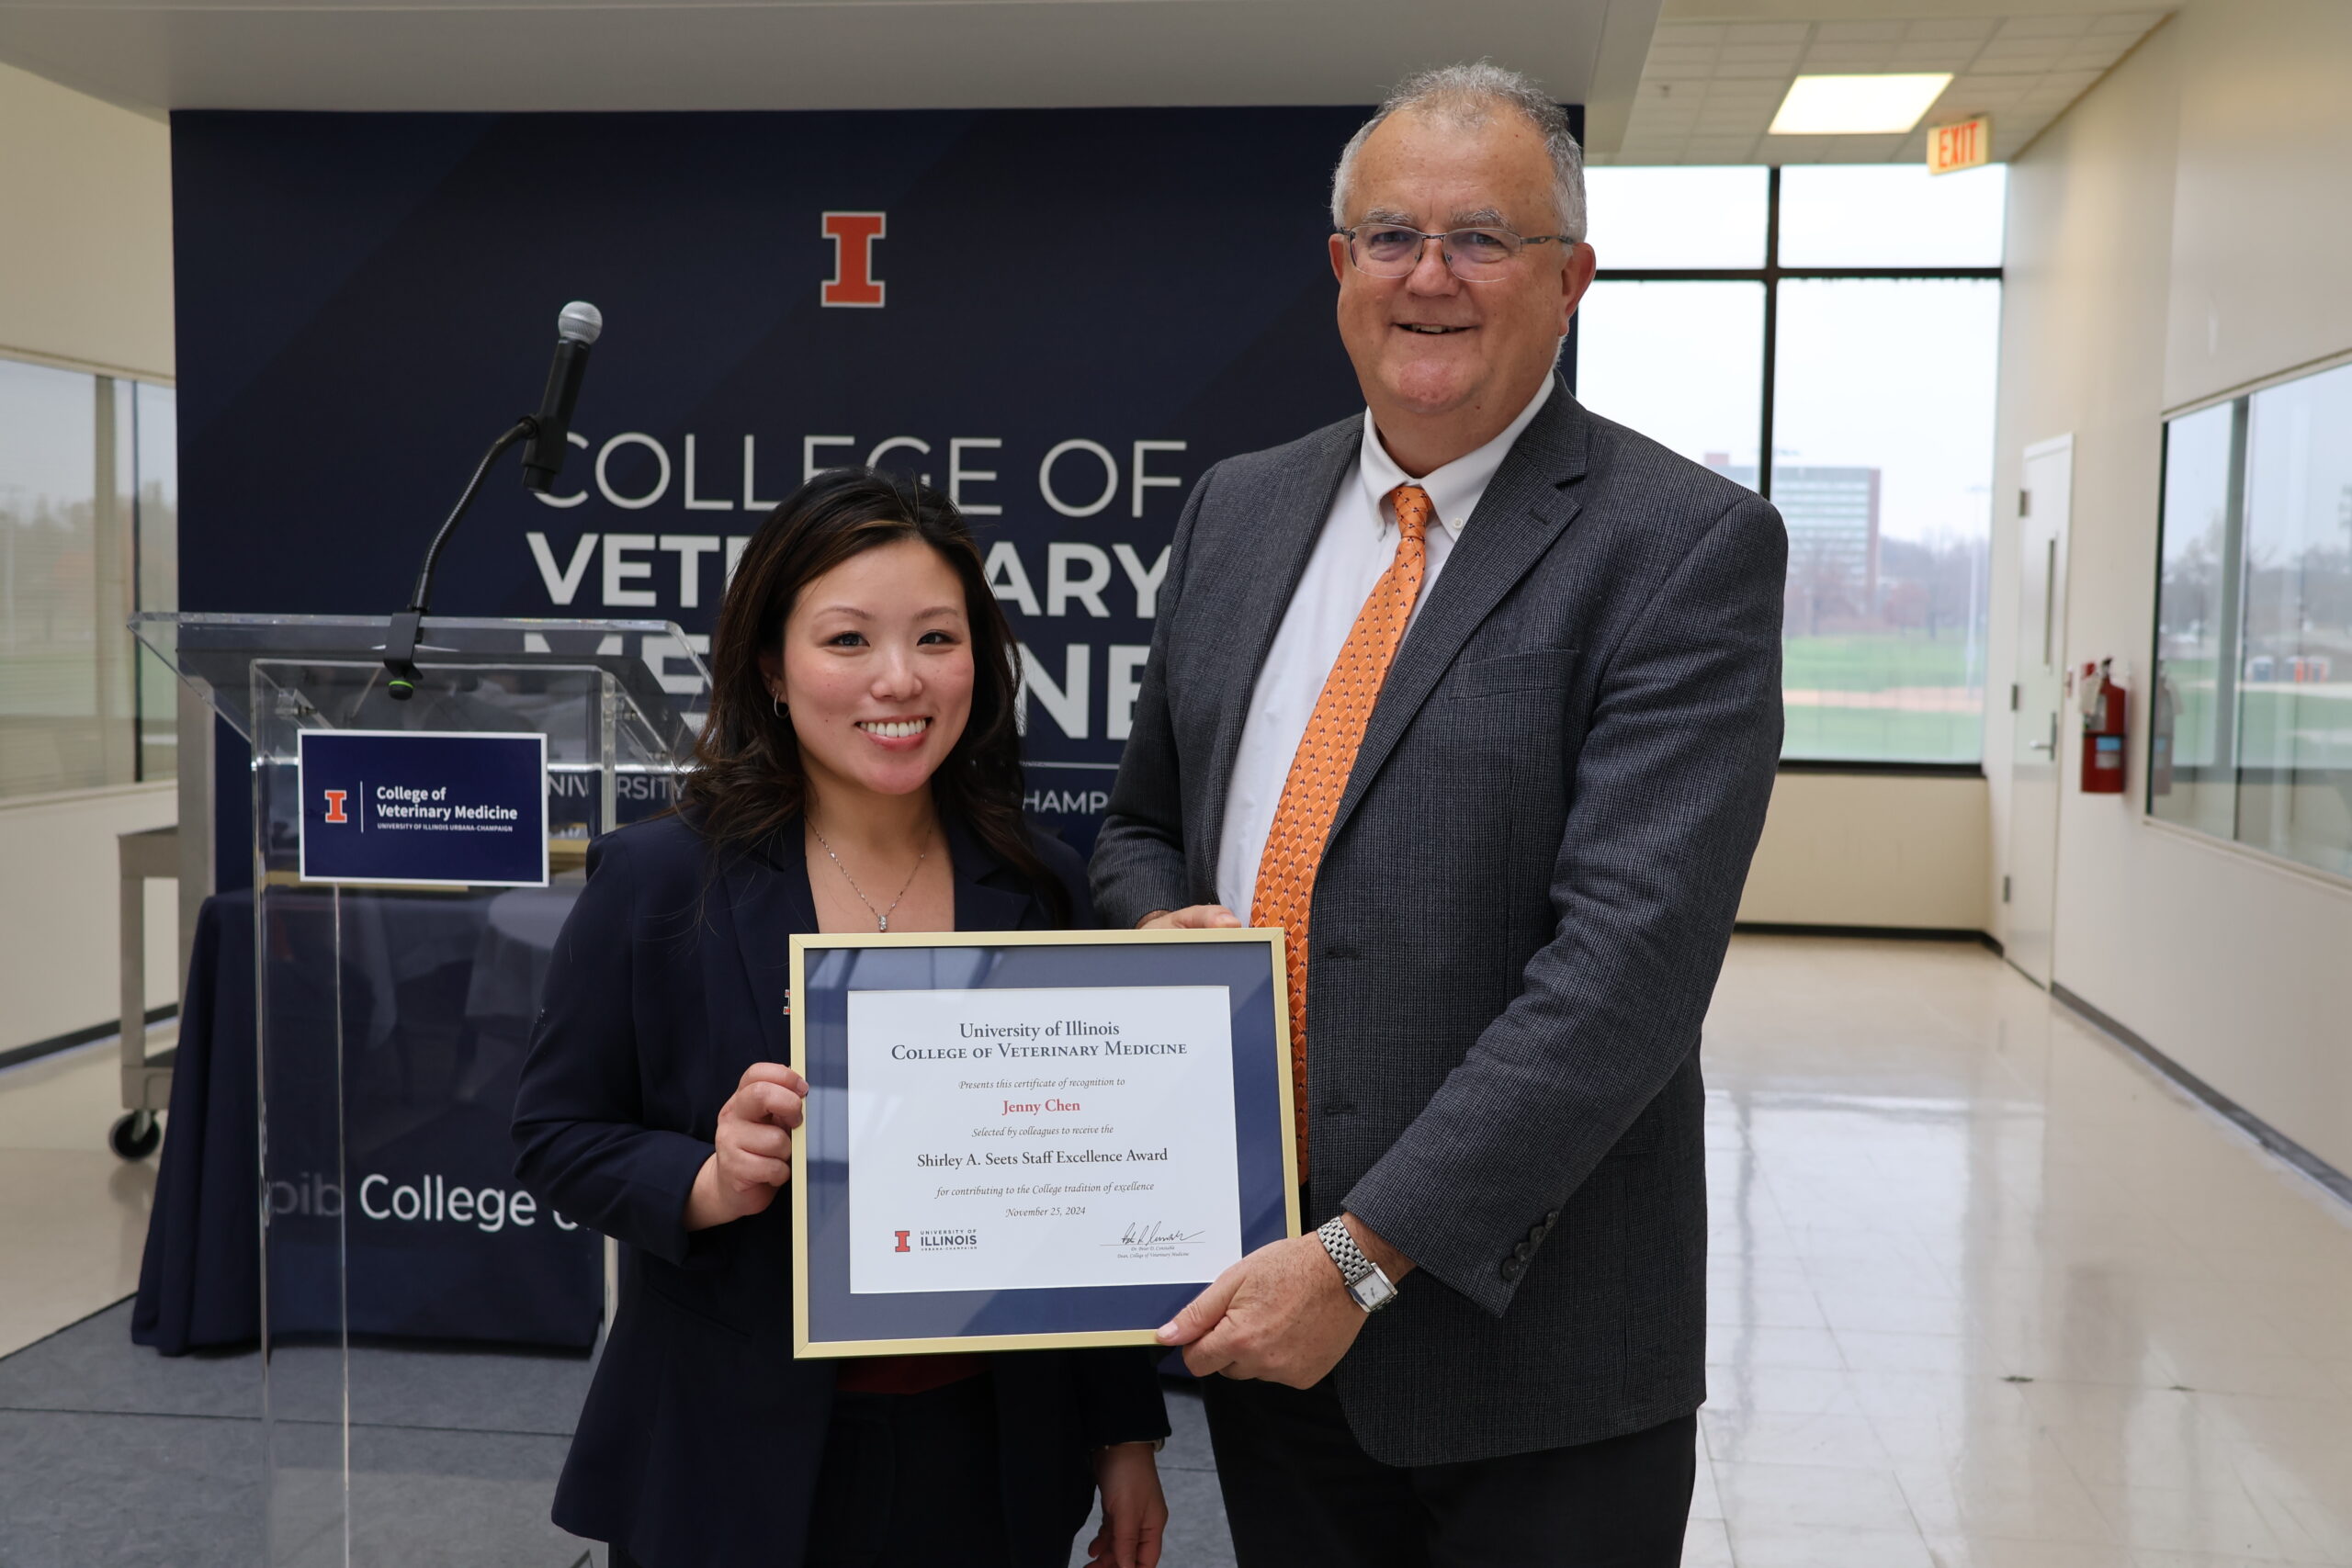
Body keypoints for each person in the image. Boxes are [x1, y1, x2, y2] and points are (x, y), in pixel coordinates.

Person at [1091, 62, 1786, 1567]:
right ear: (1340, 270)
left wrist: (1362, 1255)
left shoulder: (1684, 548)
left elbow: (1627, 977)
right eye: (1391, 235)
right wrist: (1156, 926)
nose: (1430, 276)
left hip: (1529, 1355)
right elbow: (1140, 821)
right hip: (1263, 1310)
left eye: (1482, 238)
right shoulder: (1239, 510)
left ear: (1571, 280)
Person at [514, 468, 1171, 1568]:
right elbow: (555, 1136)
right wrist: (707, 1181)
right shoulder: (661, 881)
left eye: (937, 638)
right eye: (849, 640)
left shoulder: (1043, 886)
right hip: (727, 1450)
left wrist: (1123, 1430)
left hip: (988, 1450)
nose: (900, 680)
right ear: (772, 665)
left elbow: (1080, 1206)